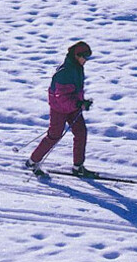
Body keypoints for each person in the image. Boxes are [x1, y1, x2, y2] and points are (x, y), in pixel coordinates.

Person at [25, 41, 98, 178]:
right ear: (77, 55)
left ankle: (78, 167)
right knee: (54, 136)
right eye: (85, 57)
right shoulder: (65, 73)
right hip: (59, 108)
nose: (86, 61)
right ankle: (32, 162)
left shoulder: (77, 67)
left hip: (73, 106)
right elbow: (62, 98)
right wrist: (79, 104)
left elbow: (74, 91)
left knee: (81, 132)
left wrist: (82, 102)